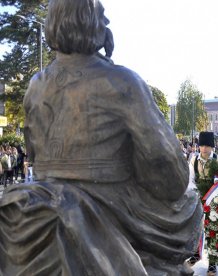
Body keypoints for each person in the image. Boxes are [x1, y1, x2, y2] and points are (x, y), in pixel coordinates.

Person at [0, 0, 202, 274]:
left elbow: (33, 154)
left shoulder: (35, 86)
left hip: (38, 200)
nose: (106, 22)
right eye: (101, 16)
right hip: (111, 204)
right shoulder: (123, 82)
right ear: (90, 21)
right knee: (190, 196)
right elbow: (170, 176)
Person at [187, 131, 218, 275]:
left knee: (213, 230)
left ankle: (212, 263)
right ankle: (196, 254)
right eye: (202, 145)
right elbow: (191, 180)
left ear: (212, 146)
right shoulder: (194, 160)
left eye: (207, 145)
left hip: (214, 198)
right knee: (197, 228)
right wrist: (197, 195)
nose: (204, 149)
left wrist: (213, 195)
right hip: (199, 198)